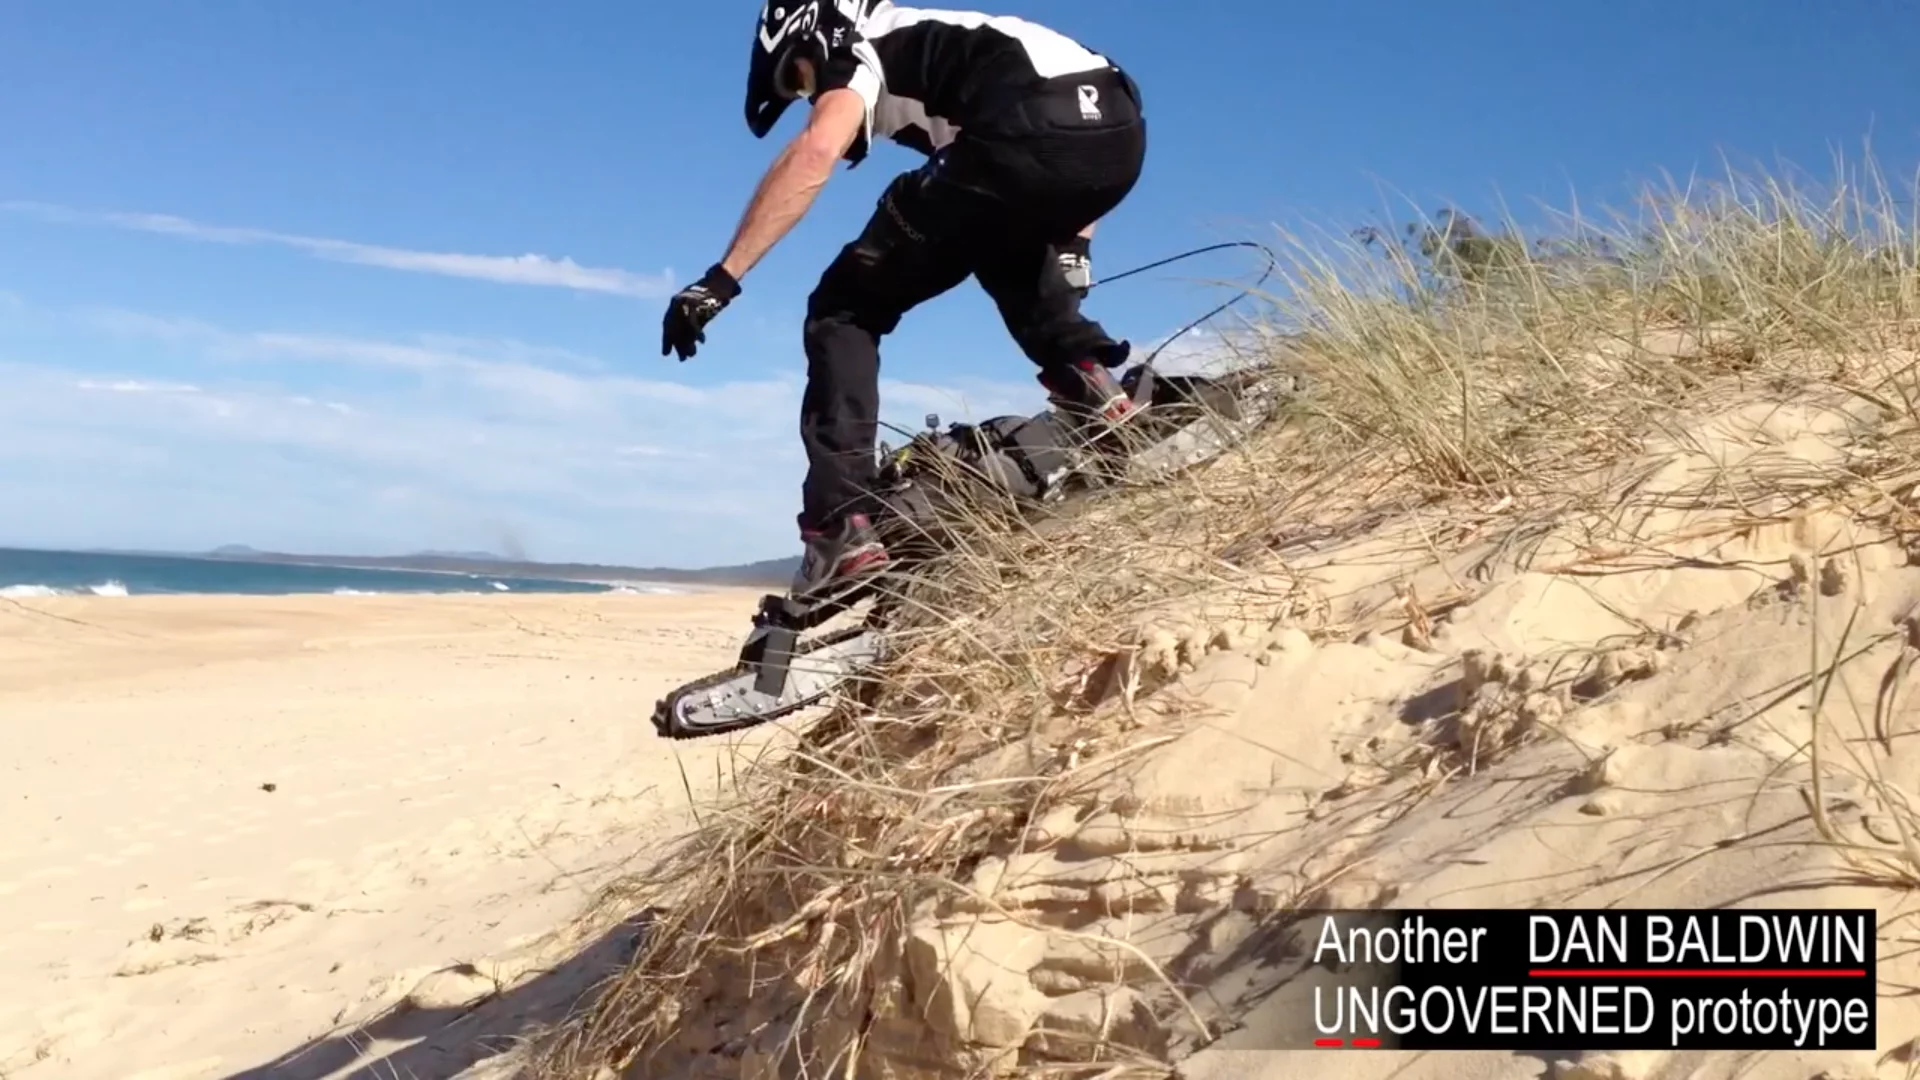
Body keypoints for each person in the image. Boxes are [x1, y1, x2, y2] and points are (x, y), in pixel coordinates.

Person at [660, 1, 1149, 602]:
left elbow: (816, 151)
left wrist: (721, 279)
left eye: (798, 76)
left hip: (1024, 131)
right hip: (1119, 129)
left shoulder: (857, 46)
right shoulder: (955, 40)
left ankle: (842, 525)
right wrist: (1072, 245)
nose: (809, 93)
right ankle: (1093, 388)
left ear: (813, 29)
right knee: (995, 226)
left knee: (843, 309)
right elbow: (1081, 148)